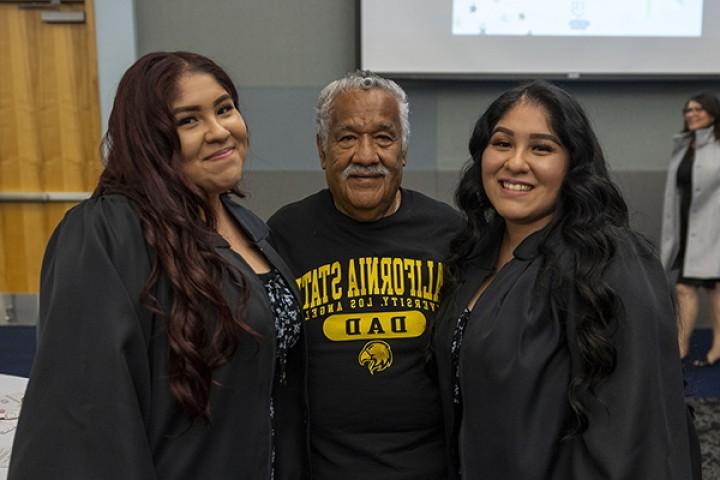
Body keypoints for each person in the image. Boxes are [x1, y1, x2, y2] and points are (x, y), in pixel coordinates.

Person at [9, 51, 307, 480]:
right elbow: (83, 417)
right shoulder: (108, 231)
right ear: (150, 139)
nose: (219, 131)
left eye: (225, 109)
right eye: (189, 120)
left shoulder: (250, 227)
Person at [432, 80, 700, 479]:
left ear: (573, 165)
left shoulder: (610, 261)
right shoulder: (472, 257)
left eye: (541, 148)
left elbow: (635, 435)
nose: (515, 163)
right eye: (502, 143)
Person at [267, 71, 462, 480]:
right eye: (347, 138)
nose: (366, 155)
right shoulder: (285, 235)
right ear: (322, 150)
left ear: (404, 150)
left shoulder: (452, 235)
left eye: (384, 138)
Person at [660, 93, 720, 366]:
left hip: (714, 230)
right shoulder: (685, 146)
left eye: (698, 109)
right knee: (685, 287)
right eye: (688, 110)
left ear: (713, 113)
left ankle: (715, 345)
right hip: (687, 229)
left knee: (714, 287)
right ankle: (681, 346)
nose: (691, 114)